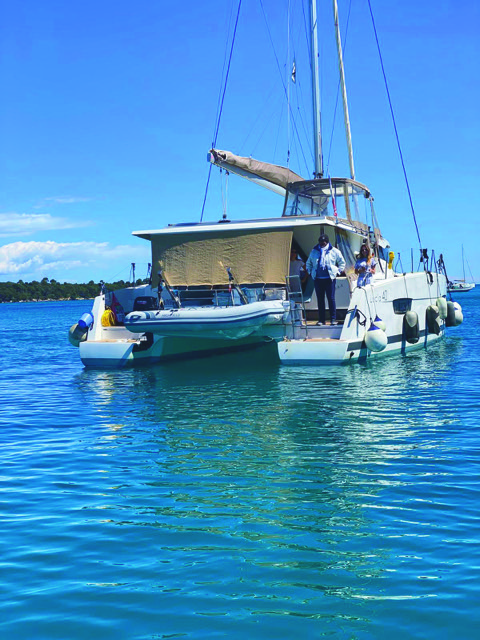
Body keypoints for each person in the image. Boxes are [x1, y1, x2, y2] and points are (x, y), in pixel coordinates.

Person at [306, 233, 346, 325]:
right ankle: (321, 320)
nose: (322, 243)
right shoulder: (314, 251)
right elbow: (308, 264)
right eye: (321, 241)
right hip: (318, 279)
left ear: (327, 242)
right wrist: (310, 273)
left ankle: (333, 319)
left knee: (331, 298)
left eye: (324, 241)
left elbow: (342, 263)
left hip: (329, 279)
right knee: (320, 300)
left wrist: (337, 272)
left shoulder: (335, 251)